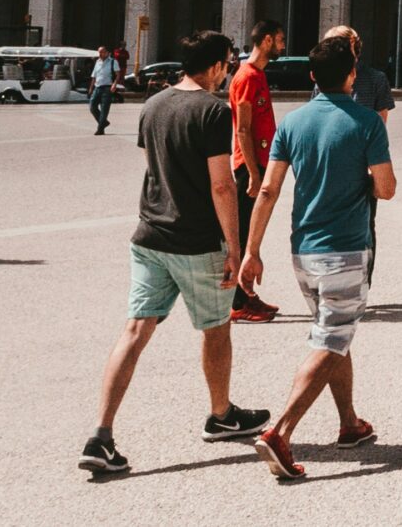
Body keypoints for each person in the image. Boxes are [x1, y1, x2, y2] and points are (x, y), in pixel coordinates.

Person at [79, 31, 270, 475]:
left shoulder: (154, 105)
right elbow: (222, 184)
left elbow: (156, 167)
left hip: (149, 237)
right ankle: (222, 416)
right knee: (216, 329)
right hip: (197, 240)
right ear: (216, 66)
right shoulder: (212, 111)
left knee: (134, 331)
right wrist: (235, 248)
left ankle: (101, 435)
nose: (228, 70)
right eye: (227, 62)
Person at [238, 34, 395, 481]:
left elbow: (267, 189)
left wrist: (252, 252)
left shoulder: (293, 122)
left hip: (302, 251)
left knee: (333, 331)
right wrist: (364, 176)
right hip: (345, 249)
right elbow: (386, 188)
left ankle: (349, 423)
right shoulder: (367, 123)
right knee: (330, 340)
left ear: (312, 76)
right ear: (352, 75)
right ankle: (280, 433)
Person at [227, 20, 284, 322]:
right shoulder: (247, 77)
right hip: (249, 167)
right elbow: (243, 129)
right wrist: (253, 173)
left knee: (249, 234)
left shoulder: (257, 74)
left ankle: (245, 295)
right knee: (242, 236)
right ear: (265, 40)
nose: (283, 45)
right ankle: (237, 303)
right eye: (279, 40)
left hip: (258, 164)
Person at [90, 45, 120, 135]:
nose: (100, 54)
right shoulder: (97, 62)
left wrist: (114, 84)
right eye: (99, 52)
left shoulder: (113, 62)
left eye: (102, 52)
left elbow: (118, 74)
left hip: (107, 88)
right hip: (97, 87)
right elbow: (94, 76)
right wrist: (91, 88)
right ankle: (104, 122)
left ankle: (100, 129)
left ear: (107, 53)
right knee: (92, 107)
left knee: (104, 109)